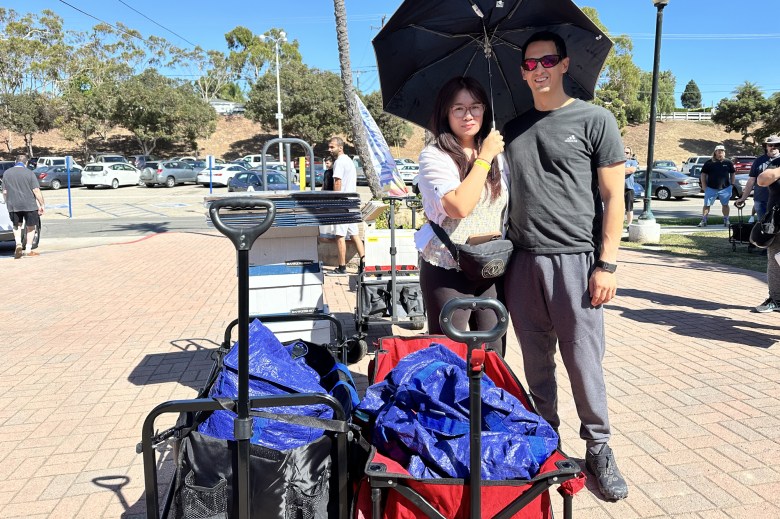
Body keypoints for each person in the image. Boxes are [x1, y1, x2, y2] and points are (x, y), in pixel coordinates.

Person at [502, 31, 628, 501]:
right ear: (522, 72)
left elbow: (614, 198)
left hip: (576, 260)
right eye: (530, 64)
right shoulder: (510, 129)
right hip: (521, 262)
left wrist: (607, 264)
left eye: (547, 60)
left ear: (564, 64)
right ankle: (546, 439)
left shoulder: (595, 119)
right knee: (536, 362)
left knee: (583, 362)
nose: (539, 70)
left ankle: (598, 448)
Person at [414, 76, 506, 352]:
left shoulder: (500, 154)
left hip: (490, 266)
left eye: (475, 107)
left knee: (493, 353)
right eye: (459, 108)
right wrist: (484, 157)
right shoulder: (434, 156)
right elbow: (459, 206)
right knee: (450, 352)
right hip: (448, 265)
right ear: (446, 113)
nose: (468, 115)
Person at [325, 136, 365, 276]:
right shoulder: (349, 160)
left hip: (343, 203)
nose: (329, 149)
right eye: (329, 147)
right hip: (351, 203)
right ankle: (364, 264)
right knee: (354, 234)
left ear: (340, 148)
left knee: (339, 235)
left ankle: (342, 268)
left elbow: (337, 182)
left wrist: (335, 201)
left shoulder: (339, 162)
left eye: (332, 147)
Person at [751, 136, 780, 312]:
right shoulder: (776, 164)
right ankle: (776, 299)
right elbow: (761, 180)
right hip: (776, 219)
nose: (775, 147)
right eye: (772, 145)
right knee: (774, 258)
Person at [2, 154, 45, 259]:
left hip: (13, 205)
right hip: (29, 205)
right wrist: (42, 204)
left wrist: (7, 202)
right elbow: (36, 190)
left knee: (16, 225)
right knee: (31, 226)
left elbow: (5, 191)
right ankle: (28, 250)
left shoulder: (7, 173)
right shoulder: (29, 173)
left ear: (15, 161)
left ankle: (18, 244)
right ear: (26, 163)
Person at [735, 138, 773, 222]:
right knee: (763, 224)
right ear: (766, 147)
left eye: (777, 145)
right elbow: (751, 180)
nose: (773, 147)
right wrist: (743, 198)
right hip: (761, 199)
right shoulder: (758, 161)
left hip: (777, 200)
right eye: (770, 145)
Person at [698, 144, 735, 227]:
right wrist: (704, 185)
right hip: (711, 188)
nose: (720, 152)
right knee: (707, 205)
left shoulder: (728, 162)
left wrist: (732, 184)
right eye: (719, 151)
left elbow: (733, 173)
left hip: (725, 188)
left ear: (724, 152)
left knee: (725, 205)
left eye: (722, 151)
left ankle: (726, 220)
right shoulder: (709, 162)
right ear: (715, 152)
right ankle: (704, 220)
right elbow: (703, 174)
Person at [623, 146, 639, 228]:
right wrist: (625, 170)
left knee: (629, 208)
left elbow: (631, 170)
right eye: (624, 152)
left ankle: (629, 225)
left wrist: (618, 171)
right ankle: (619, 225)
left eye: (627, 152)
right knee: (619, 208)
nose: (625, 154)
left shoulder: (633, 162)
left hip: (629, 188)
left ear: (630, 154)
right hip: (619, 188)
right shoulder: (618, 162)